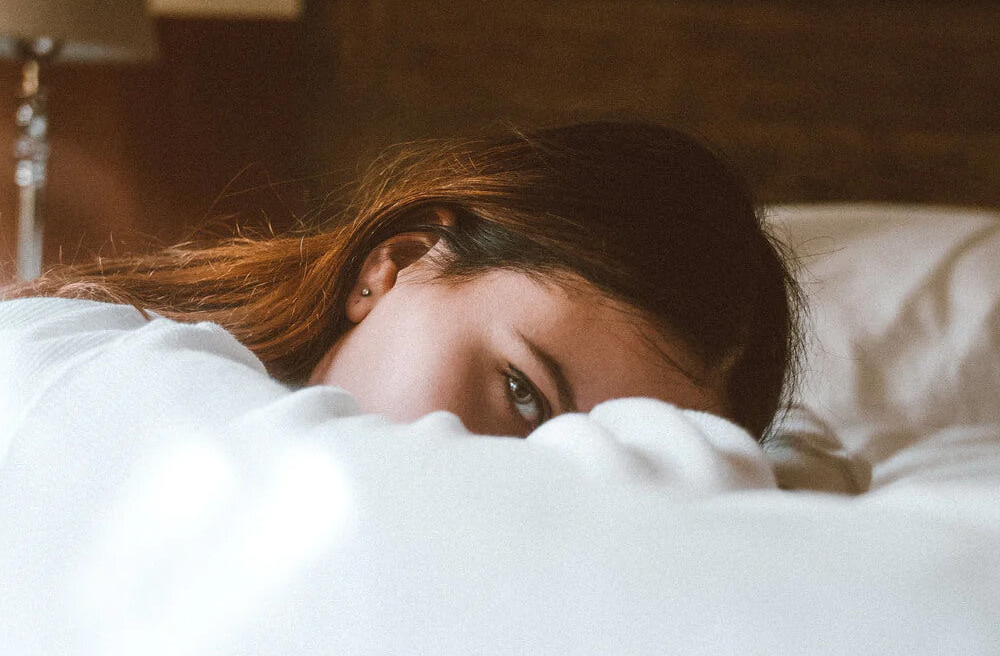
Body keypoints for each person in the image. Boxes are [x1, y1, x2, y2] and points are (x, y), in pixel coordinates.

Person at [2, 120, 799, 440]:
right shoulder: (76, 375)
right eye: (521, 391)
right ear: (396, 264)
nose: (529, 477)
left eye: (617, 463)